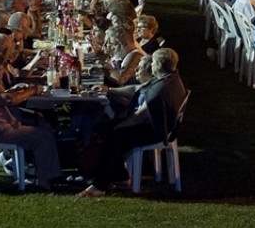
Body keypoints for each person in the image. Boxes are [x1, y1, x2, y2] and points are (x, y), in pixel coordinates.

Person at [79, 47, 188, 197]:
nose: (151, 66)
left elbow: (139, 116)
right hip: (157, 124)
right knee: (107, 128)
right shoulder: (168, 78)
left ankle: (99, 185)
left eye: (153, 63)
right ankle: (120, 177)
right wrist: (110, 90)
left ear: (158, 65)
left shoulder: (160, 90)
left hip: (155, 130)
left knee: (113, 136)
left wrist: (119, 125)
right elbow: (138, 88)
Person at [0, 51, 61, 191]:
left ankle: (36, 169)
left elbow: (1, 97)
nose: (4, 71)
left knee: (39, 120)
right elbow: (9, 100)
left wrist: (13, 90)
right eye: (2, 67)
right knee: (43, 136)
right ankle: (45, 182)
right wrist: (33, 91)